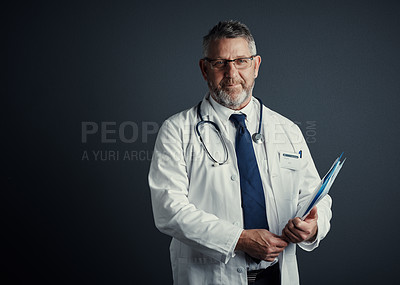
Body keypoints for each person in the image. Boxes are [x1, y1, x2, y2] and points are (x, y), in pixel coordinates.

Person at [148, 20, 332, 285]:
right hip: (211, 276)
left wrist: (314, 226)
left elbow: (317, 197)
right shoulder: (177, 130)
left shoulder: (287, 129)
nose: (231, 73)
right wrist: (239, 239)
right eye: (220, 63)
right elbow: (169, 209)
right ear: (204, 69)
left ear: (256, 66)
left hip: (277, 275)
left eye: (241, 61)